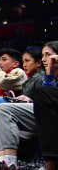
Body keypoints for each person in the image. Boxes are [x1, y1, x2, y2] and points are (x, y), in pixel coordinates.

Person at [0, 46, 49, 170]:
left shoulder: (41, 77)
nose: (24, 64)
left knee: (1, 108)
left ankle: (10, 162)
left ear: (38, 63)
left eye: (27, 61)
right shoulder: (29, 80)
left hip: (41, 117)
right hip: (31, 119)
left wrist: (31, 100)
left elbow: (46, 100)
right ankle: (1, 161)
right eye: (23, 61)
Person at [33, 41, 58, 170]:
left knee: (40, 93)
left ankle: (50, 162)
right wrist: (50, 72)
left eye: (47, 55)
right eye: (42, 55)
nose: (43, 59)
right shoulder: (51, 77)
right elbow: (48, 96)